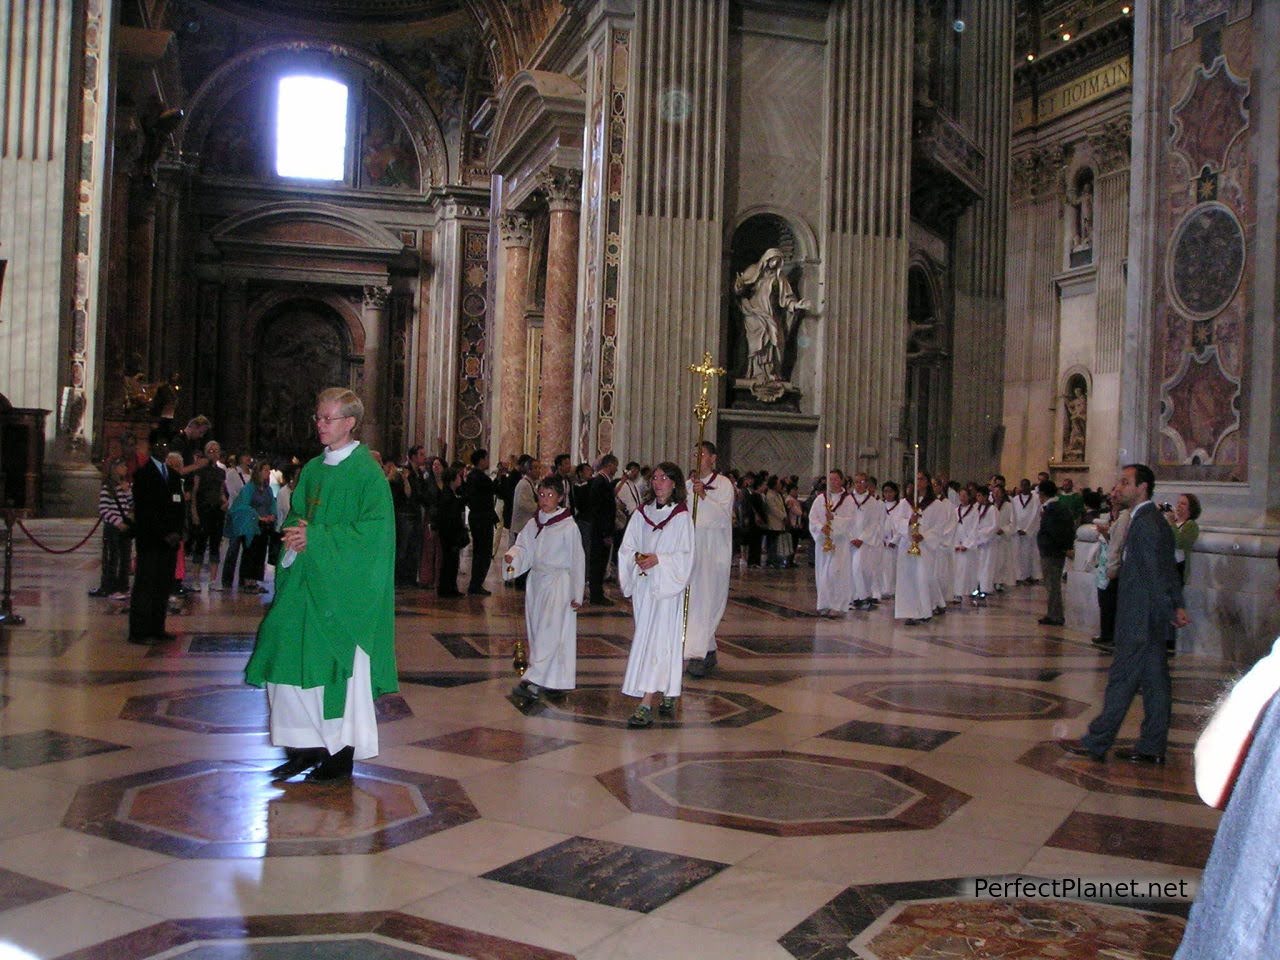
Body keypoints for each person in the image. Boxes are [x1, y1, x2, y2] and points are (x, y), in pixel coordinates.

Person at [245, 387, 397, 784]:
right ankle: (302, 747)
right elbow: (296, 517)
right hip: (303, 587)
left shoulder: (367, 474)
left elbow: (376, 535)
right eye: (318, 418)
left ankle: (337, 754)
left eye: (328, 419)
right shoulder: (312, 470)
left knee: (334, 673)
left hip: (341, 596)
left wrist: (320, 538)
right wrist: (295, 539)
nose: (320, 425)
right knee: (283, 658)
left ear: (350, 422)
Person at [1062, 464, 1189, 764]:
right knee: (1157, 684)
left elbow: (1154, 574)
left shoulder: (1145, 523)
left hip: (1140, 619)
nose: (1119, 487)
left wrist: (1169, 607)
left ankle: (1097, 741)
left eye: (1125, 482)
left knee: (1121, 681)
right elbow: (1168, 569)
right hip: (1151, 618)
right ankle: (1152, 746)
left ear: (1142, 487)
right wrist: (1175, 605)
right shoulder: (1154, 520)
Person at [619, 462, 694, 728]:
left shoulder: (681, 516)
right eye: (655, 478)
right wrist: (636, 558)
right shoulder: (642, 514)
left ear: (675, 483)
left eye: (664, 478)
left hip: (666, 591)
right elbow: (627, 546)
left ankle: (645, 702)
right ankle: (670, 689)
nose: (658, 482)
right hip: (644, 589)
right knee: (653, 642)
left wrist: (659, 559)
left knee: (658, 642)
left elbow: (686, 555)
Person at [505, 475, 585, 702]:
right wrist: (513, 557)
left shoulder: (568, 526)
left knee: (549, 632)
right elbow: (524, 547)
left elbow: (577, 560)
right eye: (541, 495)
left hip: (558, 584)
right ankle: (556, 681)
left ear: (560, 498)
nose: (545, 500)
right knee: (539, 630)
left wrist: (576, 592)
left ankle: (534, 678)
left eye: (550, 495)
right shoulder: (534, 523)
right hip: (537, 582)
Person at [128, 429, 185, 645]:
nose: (163, 449)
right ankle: (139, 631)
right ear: (152, 448)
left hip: (170, 542)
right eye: (159, 446)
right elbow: (145, 512)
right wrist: (163, 533)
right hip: (151, 540)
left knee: (162, 585)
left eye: (166, 446)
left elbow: (179, 508)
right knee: (145, 585)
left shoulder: (173, 476)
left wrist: (177, 532)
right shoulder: (143, 475)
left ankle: (157, 627)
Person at [684, 441, 733, 677]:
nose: (697, 457)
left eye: (701, 454)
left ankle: (699, 653)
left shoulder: (724, 485)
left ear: (713, 458)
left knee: (707, 600)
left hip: (713, 552)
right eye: (694, 453)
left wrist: (703, 496)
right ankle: (704, 650)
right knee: (692, 602)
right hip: (691, 550)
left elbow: (723, 518)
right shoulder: (685, 486)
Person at [733, 247, 811, 383]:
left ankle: (771, 372)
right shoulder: (753, 270)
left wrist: (797, 305)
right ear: (766, 258)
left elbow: (786, 298)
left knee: (775, 338)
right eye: (773, 259)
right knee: (756, 342)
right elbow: (739, 289)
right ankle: (754, 372)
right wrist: (739, 286)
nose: (774, 263)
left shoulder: (779, 278)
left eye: (778, 261)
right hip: (753, 313)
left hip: (771, 314)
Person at [809, 470, 856, 617]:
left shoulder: (848, 500)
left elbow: (851, 521)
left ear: (842, 481)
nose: (833, 482)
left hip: (839, 542)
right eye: (830, 479)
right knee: (823, 573)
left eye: (836, 479)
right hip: (823, 541)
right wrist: (820, 527)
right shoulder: (820, 499)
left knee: (836, 572)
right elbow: (813, 518)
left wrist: (833, 520)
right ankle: (824, 603)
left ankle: (837, 605)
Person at [226, 460, 275, 594]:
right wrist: (257, 516)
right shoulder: (249, 488)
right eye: (265, 470)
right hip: (252, 525)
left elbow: (272, 504)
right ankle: (247, 581)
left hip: (264, 525)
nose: (268, 473)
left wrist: (272, 515)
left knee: (260, 553)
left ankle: (255, 580)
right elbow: (243, 505)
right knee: (250, 552)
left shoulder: (267, 489)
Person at [1035, 479, 1073, 626]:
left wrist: (1061, 547)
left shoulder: (1053, 509)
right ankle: (1053, 613)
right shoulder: (1057, 507)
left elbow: (1054, 531)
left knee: (1052, 585)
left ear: (1043, 494)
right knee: (1051, 584)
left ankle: (1055, 616)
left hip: (1052, 552)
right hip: (1053, 551)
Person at [94, 458, 134, 601]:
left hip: (124, 528)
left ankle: (123, 586)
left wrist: (128, 491)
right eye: (123, 466)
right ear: (115, 469)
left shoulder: (124, 485)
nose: (125, 468)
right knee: (113, 558)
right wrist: (117, 522)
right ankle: (110, 587)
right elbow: (104, 509)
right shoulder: (108, 488)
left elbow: (131, 504)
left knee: (125, 558)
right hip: (113, 528)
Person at [463, 448, 498, 595]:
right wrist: (499, 477)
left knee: (480, 551)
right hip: (482, 518)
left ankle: (476, 583)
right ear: (481, 460)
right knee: (483, 552)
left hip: (477, 517)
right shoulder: (480, 478)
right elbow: (493, 489)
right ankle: (476, 584)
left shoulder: (473, 476)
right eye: (486, 458)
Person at [845, 472, 882, 611]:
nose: (859, 485)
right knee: (851, 569)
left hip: (864, 541)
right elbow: (845, 520)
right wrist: (850, 536)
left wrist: (862, 538)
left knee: (861, 568)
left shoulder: (872, 502)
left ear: (867, 484)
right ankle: (854, 597)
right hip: (850, 540)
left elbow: (874, 523)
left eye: (862, 482)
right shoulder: (848, 499)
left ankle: (863, 595)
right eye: (856, 482)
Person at [586, 454, 620, 604]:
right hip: (600, 531)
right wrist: (606, 533)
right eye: (615, 465)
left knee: (601, 562)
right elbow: (601, 510)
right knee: (598, 562)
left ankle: (598, 593)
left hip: (601, 530)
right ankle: (596, 594)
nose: (617, 468)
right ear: (609, 465)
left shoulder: (603, 481)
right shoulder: (600, 482)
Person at [435, 467, 468, 597]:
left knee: (452, 562)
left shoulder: (450, 493)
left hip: (450, 533)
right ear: (452, 480)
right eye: (458, 477)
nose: (460, 479)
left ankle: (450, 587)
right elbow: (449, 517)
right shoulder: (447, 495)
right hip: (449, 534)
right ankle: (446, 589)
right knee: (449, 562)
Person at [1011, 478, 1042, 584]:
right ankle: (1019, 576)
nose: (1024, 487)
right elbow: (1013, 515)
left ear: (1029, 486)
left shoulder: (1036, 499)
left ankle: (1031, 575)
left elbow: (1036, 515)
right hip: (1018, 532)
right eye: (1022, 485)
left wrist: (1027, 529)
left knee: (1030, 554)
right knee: (1018, 554)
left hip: (1030, 532)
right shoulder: (1015, 499)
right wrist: (1018, 528)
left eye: (1026, 485)